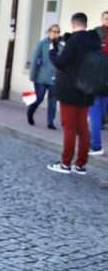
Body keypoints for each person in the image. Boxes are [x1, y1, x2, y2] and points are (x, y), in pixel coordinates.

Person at [47, 12, 101, 175]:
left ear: (73, 24)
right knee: (83, 128)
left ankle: (65, 163)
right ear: (85, 24)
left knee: (69, 127)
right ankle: (81, 164)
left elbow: (60, 63)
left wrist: (52, 51)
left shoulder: (73, 42)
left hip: (70, 89)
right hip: (87, 89)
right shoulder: (94, 41)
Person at [29, 24, 60, 129]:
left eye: (57, 32)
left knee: (52, 102)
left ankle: (50, 122)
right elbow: (34, 60)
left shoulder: (61, 47)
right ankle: (30, 112)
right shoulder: (41, 44)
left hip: (54, 79)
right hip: (41, 77)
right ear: (49, 32)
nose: (55, 34)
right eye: (53, 31)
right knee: (39, 98)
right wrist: (32, 75)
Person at [87, 10, 108, 155]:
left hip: (96, 84)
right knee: (98, 115)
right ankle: (94, 143)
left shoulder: (92, 50)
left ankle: (95, 145)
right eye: (106, 18)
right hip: (104, 83)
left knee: (95, 115)